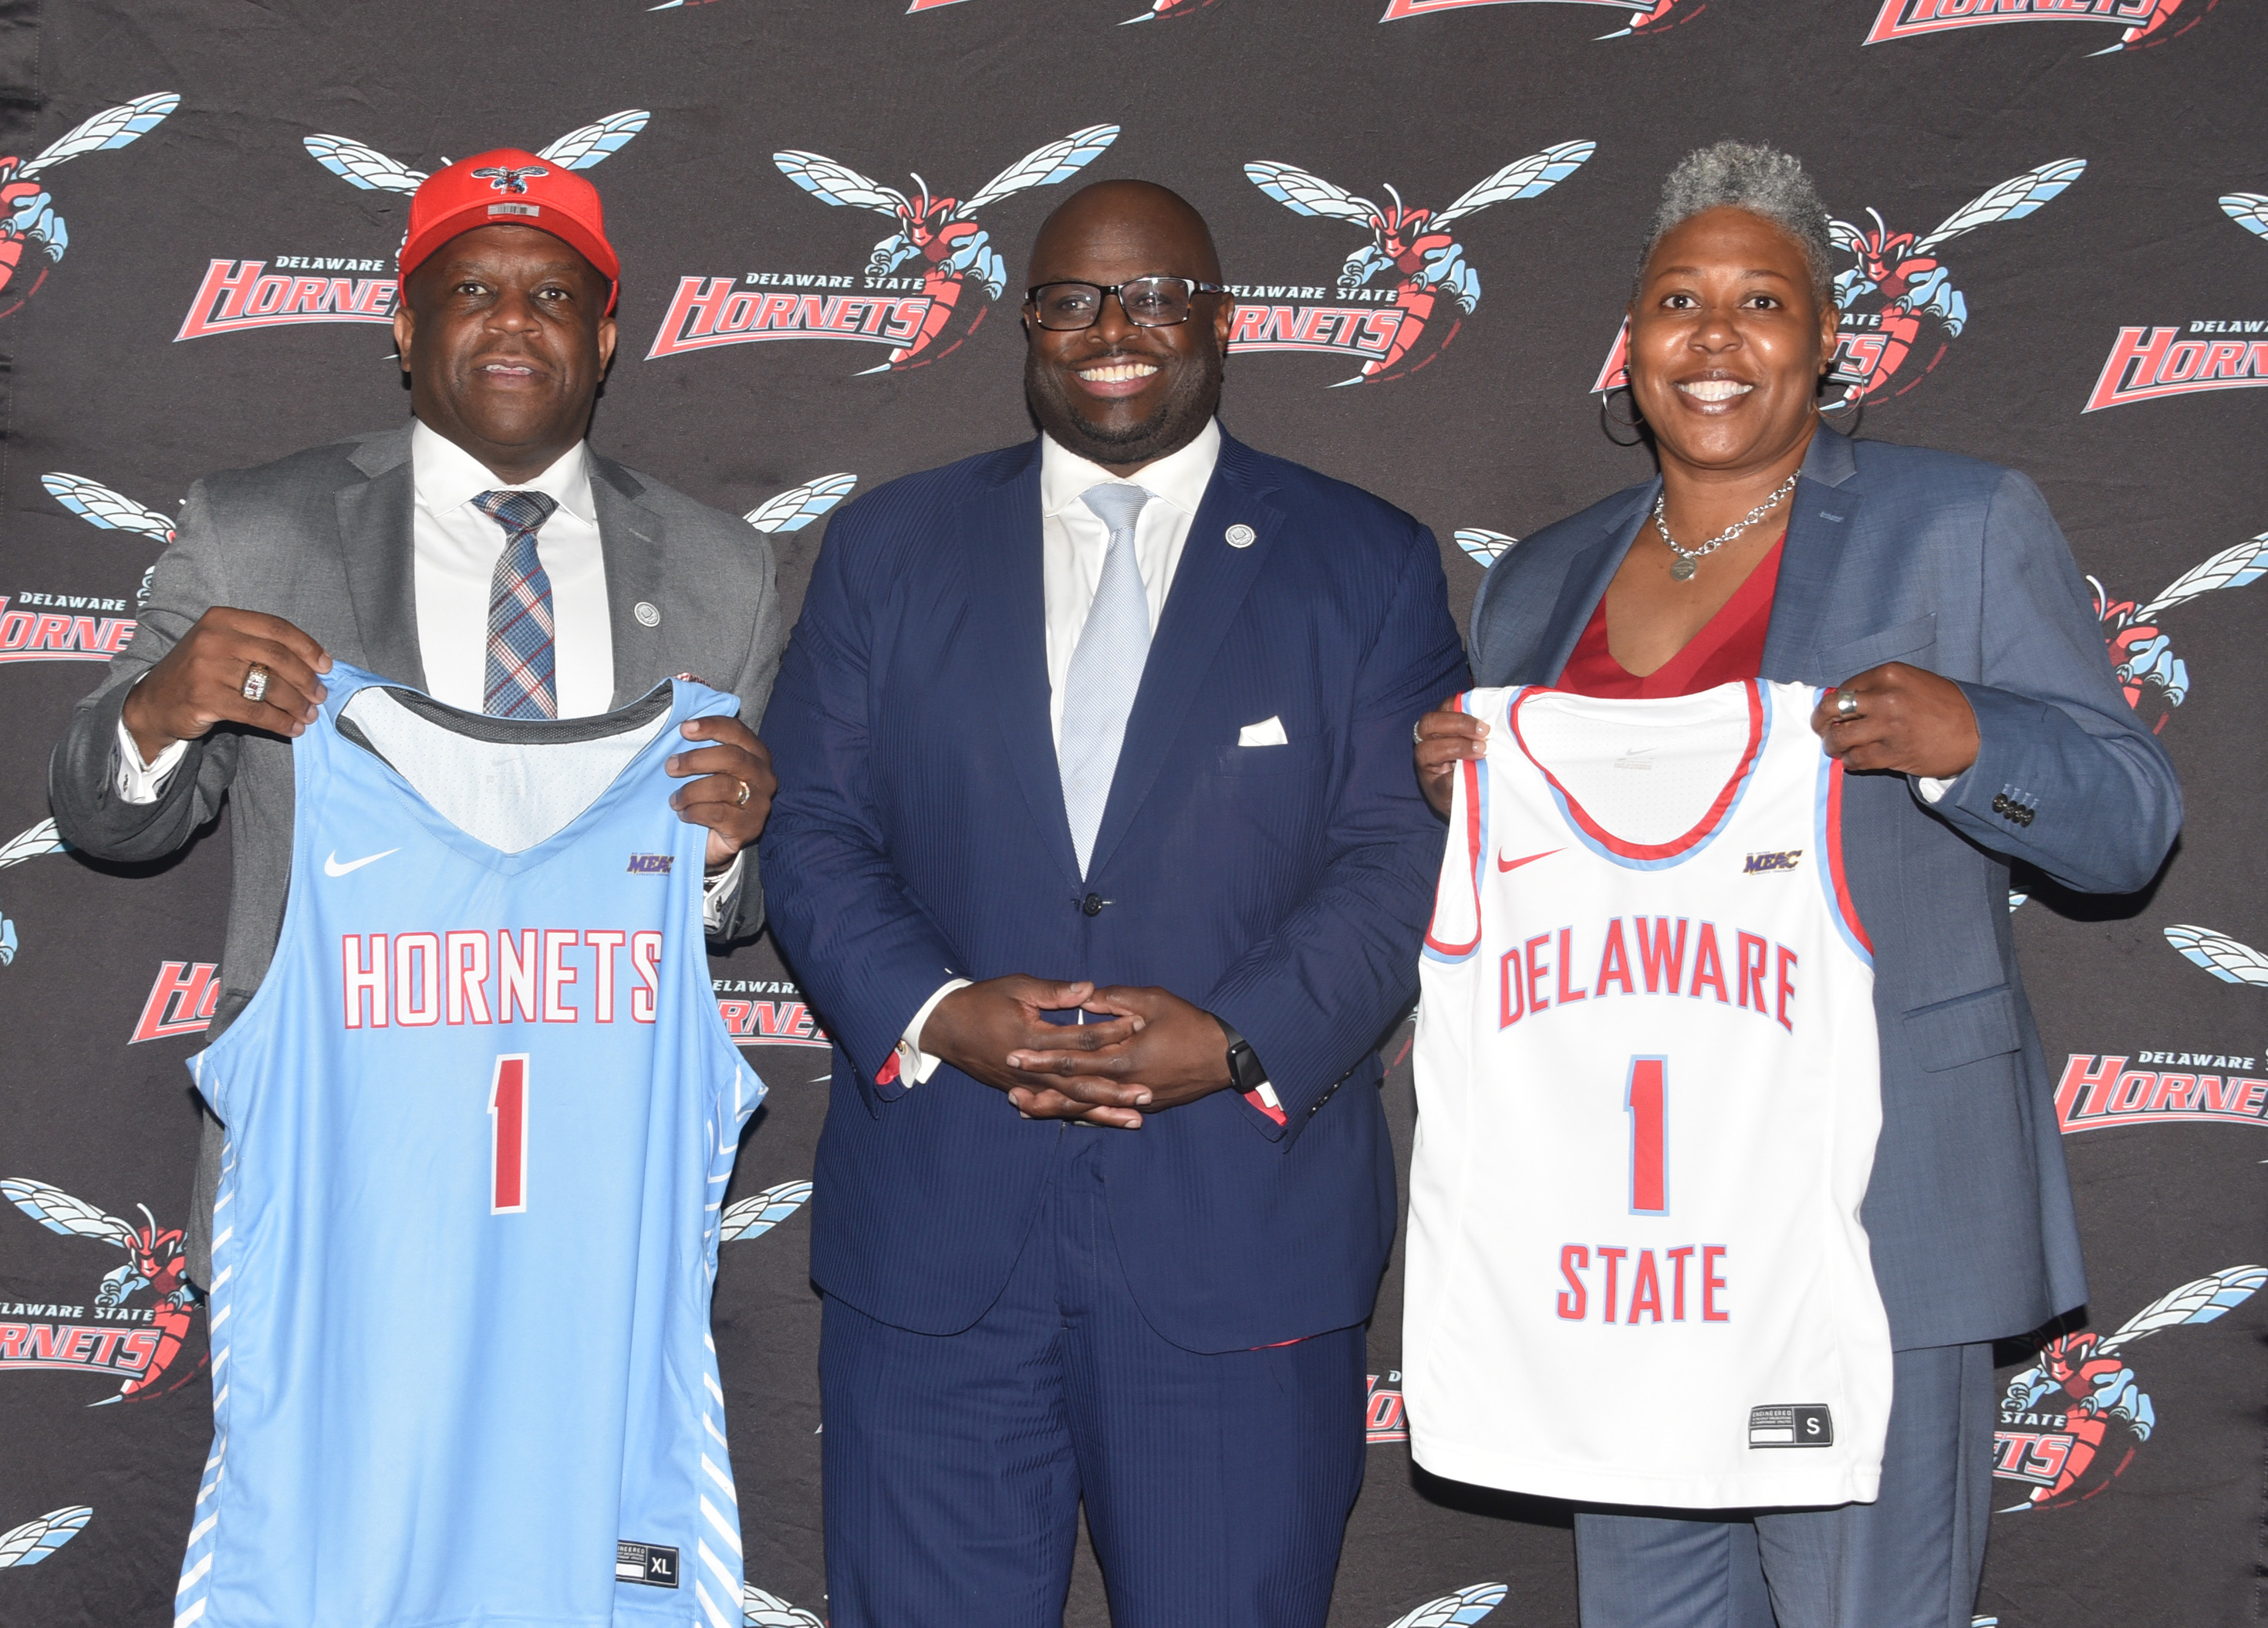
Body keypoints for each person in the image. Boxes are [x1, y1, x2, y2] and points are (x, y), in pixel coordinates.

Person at [1415, 142, 2179, 1628]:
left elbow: (2131, 820)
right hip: (1628, 1241)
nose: (1717, 337)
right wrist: (1465, 789)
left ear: (1833, 341)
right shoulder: (1538, 582)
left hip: (1870, 1213)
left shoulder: (1957, 523)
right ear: (1629, 342)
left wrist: (1973, 744)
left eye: (1764, 299)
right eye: (1679, 300)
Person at [760, 178, 1467, 1628]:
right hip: (940, 1245)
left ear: (1222, 323)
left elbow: (1407, 850)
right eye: (1073, 298)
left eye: (1156, 295)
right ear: (1026, 324)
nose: (1114, 330)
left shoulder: (1367, 560)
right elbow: (815, 829)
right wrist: (943, 1011)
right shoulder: (887, 550)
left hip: (1238, 1242)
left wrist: (1237, 1037)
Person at [48, 150, 781, 1285]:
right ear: (402, 325)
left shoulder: (722, 573)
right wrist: (157, 712)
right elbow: (106, 821)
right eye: (471, 290)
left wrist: (723, 856)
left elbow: (733, 913)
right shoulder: (256, 533)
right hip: (323, 1168)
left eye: (552, 296)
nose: (513, 323)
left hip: (597, 1187)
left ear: (605, 340)